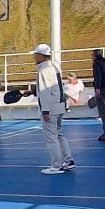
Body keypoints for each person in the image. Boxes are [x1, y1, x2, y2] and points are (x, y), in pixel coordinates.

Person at [32, 44, 74, 175]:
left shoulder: (43, 70)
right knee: (59, 134)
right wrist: (33, 91)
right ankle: (68, 160)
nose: (34, 57)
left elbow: (46, 91)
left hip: (50, 109)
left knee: (51, 138)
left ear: (41, 55)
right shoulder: (54, 67)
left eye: (36, 54)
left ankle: (56, 165)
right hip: (59, 106)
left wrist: (45, 111)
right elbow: (54, 88)